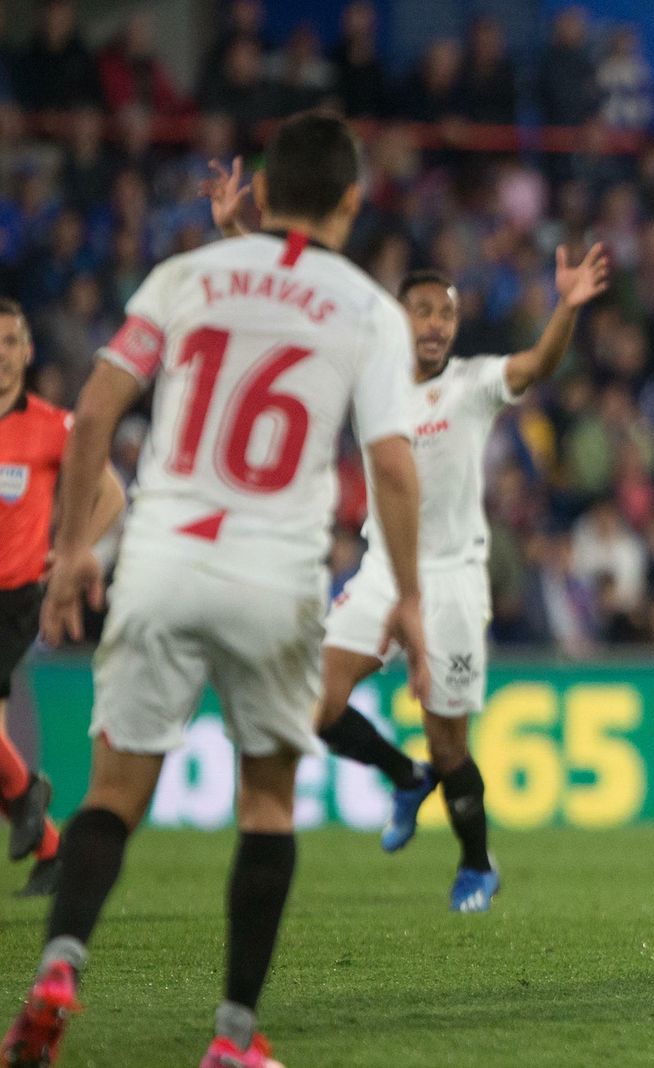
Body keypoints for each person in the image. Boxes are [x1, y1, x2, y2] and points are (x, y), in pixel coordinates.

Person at [3, 112, 428, 1068]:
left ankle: (58, 972)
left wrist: (71, 551)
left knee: (114, 793)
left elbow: (94, 413)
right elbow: (395, 469)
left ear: (263, 191)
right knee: (267, 805)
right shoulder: (368, 310)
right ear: (353, 200)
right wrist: (406, 595)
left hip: (158, 561)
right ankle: (234, 1037)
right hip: (273, 576)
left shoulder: (185, 275)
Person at [205, 158, 611, 913]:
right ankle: (402, 775)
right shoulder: (369, 374)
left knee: (449, 741)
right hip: (383, 572)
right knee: (316, 705)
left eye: (445, 314)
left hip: (452, 578)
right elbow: (287, 316)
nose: (434, 324)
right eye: (421, 310)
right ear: (397, 319)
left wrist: (565, 309)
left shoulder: (472, 384)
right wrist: (235, 230)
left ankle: (476, 862)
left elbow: (536, 365)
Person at [0, 298, 124, 899]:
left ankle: (30, 795)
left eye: (10, 342)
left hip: (16, 596)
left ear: (27, 352)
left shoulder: (54, 426)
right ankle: (51, 850)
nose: (1, 355)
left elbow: (111, 495)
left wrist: (71, 552)